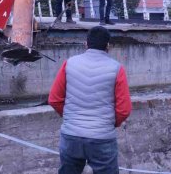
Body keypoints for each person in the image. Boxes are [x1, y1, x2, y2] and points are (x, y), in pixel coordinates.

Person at [49, 26, 131, 174]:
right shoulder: (117, 68)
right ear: (108, 46)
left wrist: (70, 117)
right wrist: (111, 123)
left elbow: (54, 99)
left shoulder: (69, 64)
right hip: (102, 138)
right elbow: (124, 109)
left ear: (86, 44)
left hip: (71, 135)